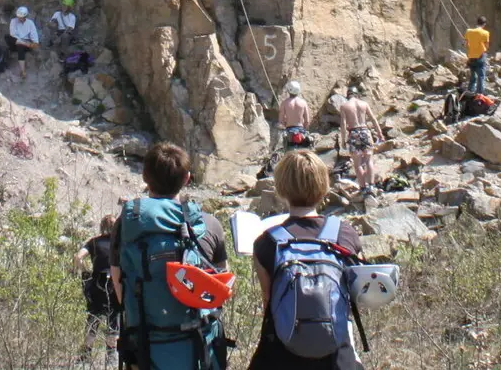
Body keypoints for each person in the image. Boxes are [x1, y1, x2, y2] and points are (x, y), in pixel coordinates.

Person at [111, 143, 231, 370]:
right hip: (199, 349)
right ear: (187, 178)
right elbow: (221, 290)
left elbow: (120, 290)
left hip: (146, 349)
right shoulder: (208, 225)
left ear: (145, 178)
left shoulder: (128, 224)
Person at [249, 151, 365, 370]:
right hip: (338, 356)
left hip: (281, 356)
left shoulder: (267, 242)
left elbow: (268, 302)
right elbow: (357, 294)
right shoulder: (345, 234)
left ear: (281, 188)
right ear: (323, 185)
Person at [79, 214, 120, 359]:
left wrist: (85, 272)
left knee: (93, 316)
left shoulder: (94, 242)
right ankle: (111, 356)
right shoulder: (120, 243)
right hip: (114, 284)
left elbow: (78, 257)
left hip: (97, 283)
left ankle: (85, 355)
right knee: (113, 317)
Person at [338, 88, 384, 192]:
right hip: (365, 132)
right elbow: (373, 119)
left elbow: (343, 124)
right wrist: (380, 133)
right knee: (368, 160)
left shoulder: (344, 106)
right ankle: (371, 186)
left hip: (353, 133)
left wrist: (343, 140)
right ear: (357, 94)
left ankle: (363, 188)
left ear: (348, 95)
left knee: (357, 163)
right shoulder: (364, 104)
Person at [8, 6, 41, 80]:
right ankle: (22, 44)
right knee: (8, 37)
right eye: (18, 17)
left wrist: (34, 43)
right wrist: (24, 42)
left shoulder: (30, 23)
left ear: (25, 16)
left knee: (20, 47)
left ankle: (23, 71)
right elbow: (12, 34)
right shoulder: (13, 21)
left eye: (21, 17)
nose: (19, 19)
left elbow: (34, 35)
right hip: (16, 41)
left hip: (25, 44)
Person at [278, 81, 313, 150]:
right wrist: (304, 129)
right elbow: (307, 121)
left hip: (289, 131)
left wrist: (285, 124)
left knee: (287, 152)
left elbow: (280, 121)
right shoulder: (303, 102)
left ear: (289, 90)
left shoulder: (284, 103)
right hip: (301, 131)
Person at [462, 17, 491, 96]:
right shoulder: (485, 33)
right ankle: (479, 93)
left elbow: (465, 44)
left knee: (473, 75)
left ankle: (470, 91)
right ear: (484, 24)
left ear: (477, 22)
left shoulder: (468, 31)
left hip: (471, 56)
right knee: (481, 76)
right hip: (480, 56)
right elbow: (487, 46)